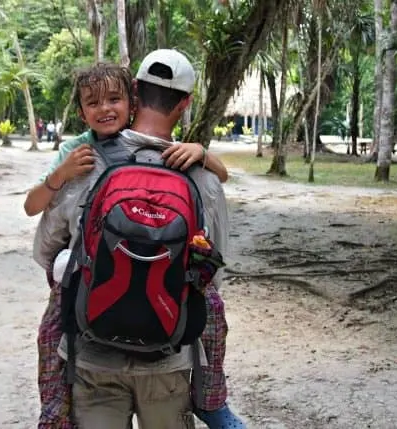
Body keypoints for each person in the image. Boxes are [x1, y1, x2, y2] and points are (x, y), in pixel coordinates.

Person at [26, 58, 244, 428]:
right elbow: (211, 273)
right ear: (185, 103)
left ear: (135, 94)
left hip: (92, 350)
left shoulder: (82, 164)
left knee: (51, 328)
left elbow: (44, 251)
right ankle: (211, 399)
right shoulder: (201, 175)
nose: (105, 109)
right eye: (94, 102)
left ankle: (53, 414)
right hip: (168, 354)